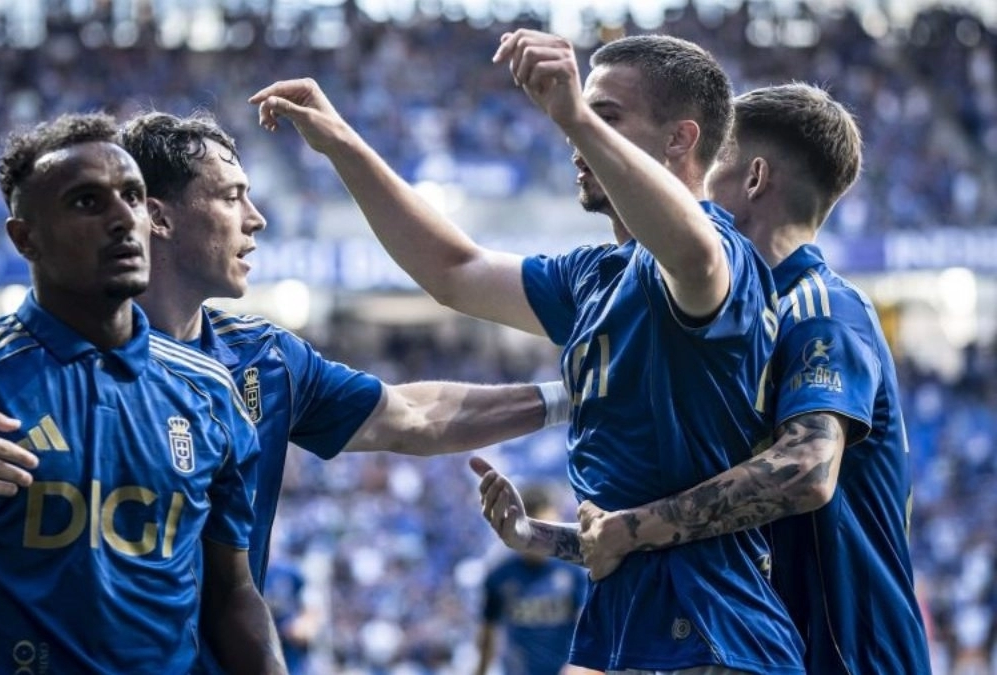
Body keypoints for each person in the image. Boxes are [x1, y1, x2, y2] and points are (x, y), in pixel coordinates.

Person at [0, 111, 571, 671]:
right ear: (162, 219)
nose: (257, 219)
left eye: (127, 196)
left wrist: (571, 394)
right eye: (232, 196)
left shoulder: (249, 366)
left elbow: (411, 416)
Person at [250, 30, 804, 675]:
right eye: (582, 115)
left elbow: (694, 250)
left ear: (680, 139)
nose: (573, 135)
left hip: (712, 637)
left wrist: (573, 115)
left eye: (607, 116)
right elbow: (456, 271)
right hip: (634, 631)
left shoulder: (716, 254)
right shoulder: (595, 276)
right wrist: (341, 144)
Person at [0, 113, 286, 673]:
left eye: (133, 197)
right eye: (87, 202)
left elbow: (233, 596)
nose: (123, 219)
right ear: (25, 237)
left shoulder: (209, 391)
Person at [562, 84, 932, 675]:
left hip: (850, 658)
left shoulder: (819, 309)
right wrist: (552, 538)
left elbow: (806, 469)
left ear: (755, 178)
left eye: (711, 166)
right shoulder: (738, 326)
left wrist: (631, 531)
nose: (693, 187)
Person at [474, 483, 589, 675]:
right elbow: (488, 632)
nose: (543, 541)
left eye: (550, 532)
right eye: (537, 532)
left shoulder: (572, 572)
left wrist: (580, 666)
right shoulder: (500, 576)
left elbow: (586, 626)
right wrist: (480, 670)